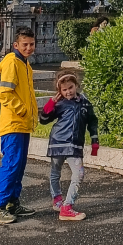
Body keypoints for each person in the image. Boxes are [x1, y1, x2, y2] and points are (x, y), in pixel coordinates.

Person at [0, 26, 38, 225]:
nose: (28, 48)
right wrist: (23, 110)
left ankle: (12, 202)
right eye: (25, 44)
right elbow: (5, 94)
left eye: (31, 44)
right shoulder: (12, 62)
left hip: (23, 124)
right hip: (14, 123)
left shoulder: (25, 64)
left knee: (19, 165)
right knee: (11, 164)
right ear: (16, 45)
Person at [39, 72, 99, 221]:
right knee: (55, 172)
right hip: (58, 143)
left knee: (78, 174)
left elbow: (92, 121)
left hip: (75, 145)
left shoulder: (85, 102)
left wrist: (94, 140)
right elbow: (43, 119)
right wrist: (51, 103)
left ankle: (67, 206)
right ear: (60, 91)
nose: (68, 92)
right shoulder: (59, 103)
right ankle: (58, 200)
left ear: (76, 85)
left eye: (70, 88)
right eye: (64, 90)